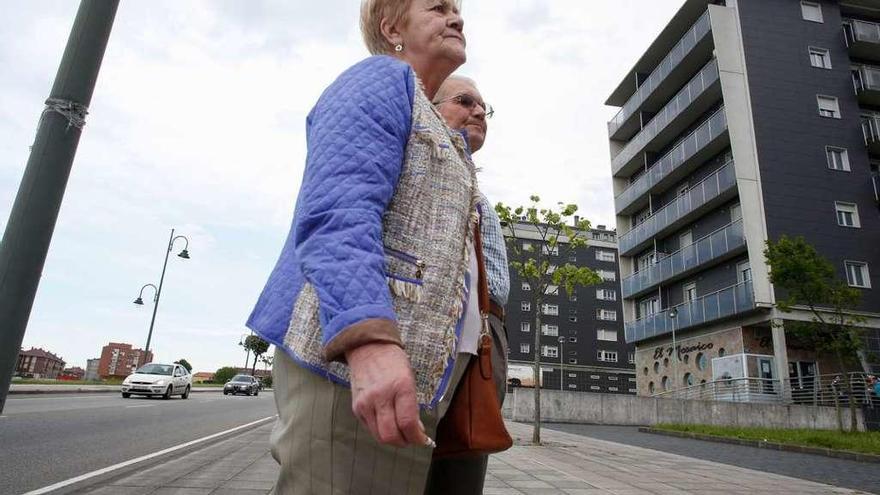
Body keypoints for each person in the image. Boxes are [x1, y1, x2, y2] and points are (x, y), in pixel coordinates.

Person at [246, 1, 491, 493]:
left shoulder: (432, 120)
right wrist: (370, 343)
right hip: (350, 368)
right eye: (438, 6)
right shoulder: (380, 79)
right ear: (391, 26)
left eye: (458, 9)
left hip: (412, 373)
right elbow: (339, 211)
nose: (456, 17)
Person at [425, 76, 509, 495]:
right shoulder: (428, 165)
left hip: (486, 334)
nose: (479, 111)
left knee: (463, 465)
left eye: (483, 106)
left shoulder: (467, 177)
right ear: (431, 107)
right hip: (452, 329)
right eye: (465, 101)